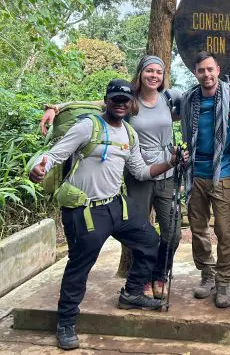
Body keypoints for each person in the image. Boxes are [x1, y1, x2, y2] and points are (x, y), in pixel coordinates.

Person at [29, 79, 187, 351]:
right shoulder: (88, 126)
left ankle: (133, 293)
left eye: (125, 100)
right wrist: (39, 168)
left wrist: (171, 162)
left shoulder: (128, 133)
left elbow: (140, 171)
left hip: (115, 204)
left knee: (150, 241)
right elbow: (55, 155)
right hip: (85, 210)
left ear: (132, 104)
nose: (120, 104)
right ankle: (66, 322)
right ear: (107, 100)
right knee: (81, 265)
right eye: (115, 99)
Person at [40, 55, 183, 300]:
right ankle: (142, 282)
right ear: (140, 73)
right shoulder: (127, 99)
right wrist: (56, 107)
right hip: (135, 176)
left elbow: (202, 98)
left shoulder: (170, 98)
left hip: (164, 171)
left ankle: (160, 274)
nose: (154, 76)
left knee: (171, 232)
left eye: (158, 72)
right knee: (136, 234)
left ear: (163, 76)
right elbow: (94, 104)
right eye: (149, 71)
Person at [180, 51, 230, 308]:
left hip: (225, 172)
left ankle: (223, 281)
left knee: (224, 230)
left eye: (210, 69)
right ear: (195, 73)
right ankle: (206, 273)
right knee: (198, 228)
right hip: (196, 171)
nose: (206, 75)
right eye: (201, 71)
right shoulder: (188, 99)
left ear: (218, 69)